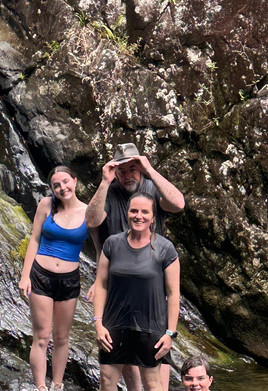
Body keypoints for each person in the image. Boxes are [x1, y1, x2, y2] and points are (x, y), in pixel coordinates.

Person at [86, 143, 185, 391]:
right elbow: (91, 220)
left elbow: (178, 203)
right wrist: (105, 181)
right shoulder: (110, 192)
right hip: (117, 275)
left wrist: (150, 169)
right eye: (122, 170)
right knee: (119, 351)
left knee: (154, 366)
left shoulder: (151, 188)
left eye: (133, 169)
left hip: (152, 277)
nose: (127, 175)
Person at [19, 166, 89, 391]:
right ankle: (40, 387)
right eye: (56, 185)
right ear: (51, 188)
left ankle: (57, 385)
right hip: (41, 276)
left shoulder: (89, 212)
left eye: (66, 182)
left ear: (75, 181)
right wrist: (25, 275)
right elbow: (34, 239)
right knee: (41, 336)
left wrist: (99, 282)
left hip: (69, 280)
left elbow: (103, 248)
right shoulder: (46, 205)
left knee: (61, 337)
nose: (62, 188)